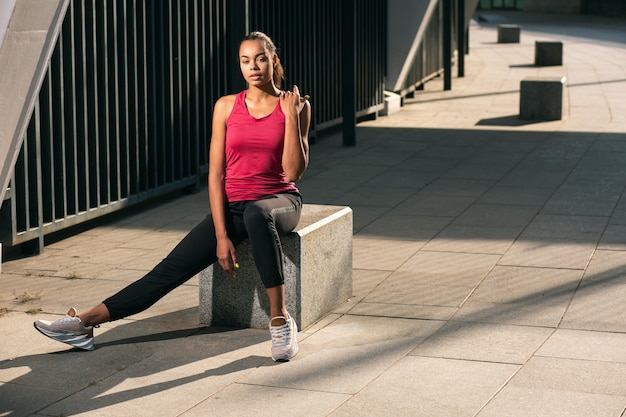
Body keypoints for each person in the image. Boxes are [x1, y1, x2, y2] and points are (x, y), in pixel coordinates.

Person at [34, 31, 311, 362]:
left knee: (256, 214)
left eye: (261, 58)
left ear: (274, 60)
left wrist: (292, 117)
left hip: (279, 202)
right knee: (167, 272)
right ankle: (84, 324)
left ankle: (280, 318)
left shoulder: (294, 106)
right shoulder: (225, 106)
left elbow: (293, 172)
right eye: (245, 60)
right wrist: (221, 236)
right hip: (235, 206)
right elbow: (216, 174)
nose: (253, 66)